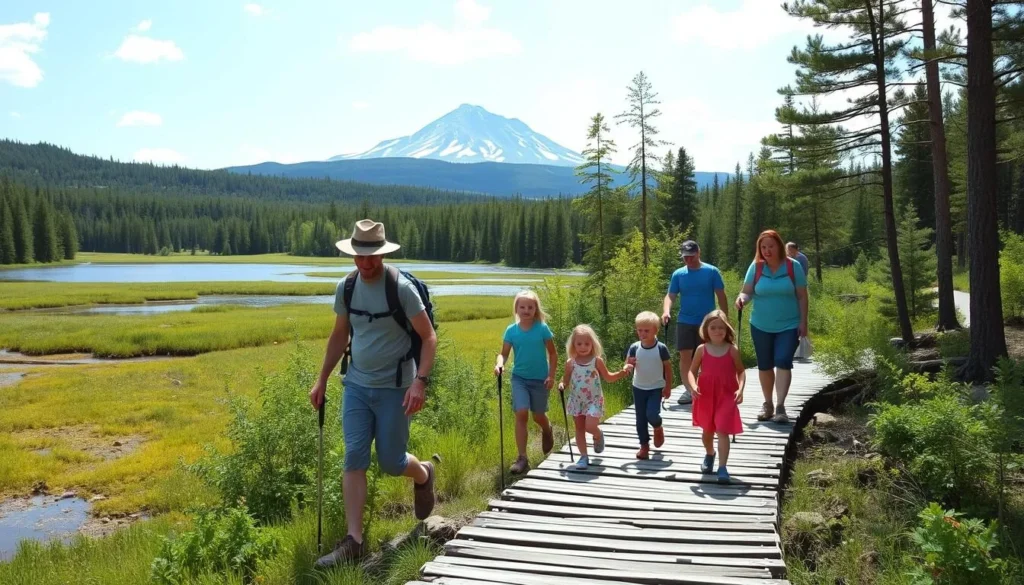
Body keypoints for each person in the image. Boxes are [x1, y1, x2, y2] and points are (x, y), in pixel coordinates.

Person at [309, 219, 438, 567]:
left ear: (381, 254)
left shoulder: (401, 289)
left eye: (372, 258)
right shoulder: (346, 288)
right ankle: (354, 540)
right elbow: (339, 335)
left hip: (396, 387)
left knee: (392, 462)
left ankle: (424, 473)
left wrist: (420, 381)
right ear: (352, 255)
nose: (366, 264)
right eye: (360, 257)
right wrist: (322, 379)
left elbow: (428, 337)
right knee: (354, 455)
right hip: (356, 386)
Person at [735, 230, 809, 424]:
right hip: (760, 324)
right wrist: (742, 299)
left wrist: (804, 322)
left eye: (771, 246)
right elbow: (747, 292)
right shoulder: (756, 267)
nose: (767, 250)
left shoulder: (793, 267)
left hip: (789, 324)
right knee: (765, 364)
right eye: (763, 247)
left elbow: (802, 295)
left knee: (783, 360)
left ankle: (780, 406)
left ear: (779, 246)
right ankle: (767, 404)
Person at [494, 290, 558, 475]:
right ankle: (522, 458)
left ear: (535, 309)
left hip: (540, 379)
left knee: (538, 415)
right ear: (516, 308)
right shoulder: (511, 330)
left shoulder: (542, 328)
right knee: (521, 412)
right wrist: (499, 364)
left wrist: (551, 376)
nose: (526, 310)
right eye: (522, 306)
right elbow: (504, 353)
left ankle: (547, 429)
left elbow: (553, 354)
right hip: (519, 378)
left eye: (530, 307)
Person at [662, 240, 728, 406]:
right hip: (685, 320)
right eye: (685, 257)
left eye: (691, 256)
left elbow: (721, 295)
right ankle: (690, 389)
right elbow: (671, 295)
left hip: (708, 322)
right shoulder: (678, 274)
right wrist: (666, 311)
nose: (688, 260)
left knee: (707, 355)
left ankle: (707, 386)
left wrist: (724, 317)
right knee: (685, 355)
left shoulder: (711, 271)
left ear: (698, 253)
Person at [557, 325, 633, 469]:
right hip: (577, 400)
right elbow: (565, 380)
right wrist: (562, 385)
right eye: (579, 343)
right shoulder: (570, 363)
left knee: (590, 426)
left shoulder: (596, 361)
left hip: (594, 400)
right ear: (573, 344)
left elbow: (608, 377)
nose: (583, 347)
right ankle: (583, 457)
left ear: (593, 343)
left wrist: (623, 372)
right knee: (579, 429)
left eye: (587, 343)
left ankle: (598, 435)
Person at [687, 310, 746, 484]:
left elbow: (741, 371)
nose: (718, 331)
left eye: (721, 327)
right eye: (713, 327)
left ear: (727, 329)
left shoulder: (732, 350)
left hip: (726, 395)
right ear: (706, 329)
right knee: (707, 432)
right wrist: (693, 385)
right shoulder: (701, 349)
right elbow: (691, 371)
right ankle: (710, 453)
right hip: (705, 395)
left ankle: (722, 467)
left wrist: (740, 389)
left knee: (722, 430)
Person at [625, 311, 673, 460]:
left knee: (651, 414)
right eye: (640, 330)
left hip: (656, 387)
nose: (643, 333)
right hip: (638, 387)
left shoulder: (661, 348)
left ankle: (657, 427)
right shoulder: (634, 347)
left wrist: (668, 386)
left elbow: (668, 368)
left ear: (655, 331)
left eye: (647, 330)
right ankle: (644, 445)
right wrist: (628, 366)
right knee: (640, 418)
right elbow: (627, 363)